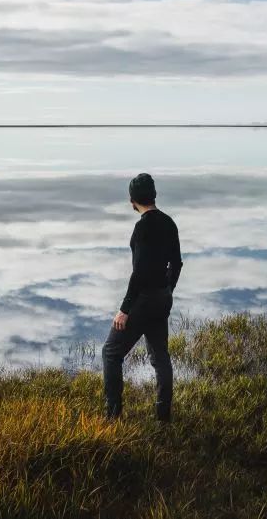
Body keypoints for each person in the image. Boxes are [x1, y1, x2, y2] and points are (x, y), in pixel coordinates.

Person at [102, 172, 183, 422]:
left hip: (144, 300)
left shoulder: (142, 228)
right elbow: (176, 264)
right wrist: (168, 289)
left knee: (111, 353)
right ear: (155, 195)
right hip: (162, 298)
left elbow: (138, 274)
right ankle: (163, 418)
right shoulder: (169, 223)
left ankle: (113, 416)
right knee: (160, 358)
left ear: (132, 201)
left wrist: (124, 309)